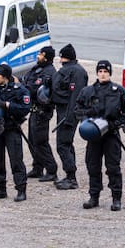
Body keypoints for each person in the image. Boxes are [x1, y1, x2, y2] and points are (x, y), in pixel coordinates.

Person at [75, 60, 125, 211]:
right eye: (100, 71)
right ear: (96, 73)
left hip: (111, 136)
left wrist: (115, 123)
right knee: (93, 166)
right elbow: (77, 109)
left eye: (106, 72)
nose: (103, 74)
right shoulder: (87, 91)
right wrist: (87, 117)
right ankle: (94, 197)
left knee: (113, 167)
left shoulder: (119, 91)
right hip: (94, 136)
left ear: (110, 73)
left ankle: (116, 198)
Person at [0, 63, 31, 201]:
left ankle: (21, 189)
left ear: (5, 77)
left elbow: (25, 108)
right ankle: (0, 188)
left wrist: (8, 105)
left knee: (16, 160)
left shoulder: (19, 90)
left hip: (12, 129)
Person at [50, 43, 88, 190]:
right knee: (66, 143)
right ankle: (69, 174)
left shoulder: (76, 72)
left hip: (67, 113)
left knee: (63, 145)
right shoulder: (71, 70)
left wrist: (70, 116)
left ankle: (71, 178)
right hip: (64, 111)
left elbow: (76, 96)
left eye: (61, 57)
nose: (59, 60)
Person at [21, 46, 58, 181]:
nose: (38, 56)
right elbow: (26, 80)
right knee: (32, 141)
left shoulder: (49, 72)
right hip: (34, 111)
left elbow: (34, 89)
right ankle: (38, 168)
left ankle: (51, 170)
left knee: (41, 141)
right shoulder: (37, 68)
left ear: (46, 57)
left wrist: (23, 87)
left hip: (42, 112)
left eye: (41, 54)